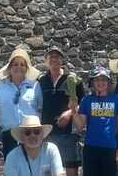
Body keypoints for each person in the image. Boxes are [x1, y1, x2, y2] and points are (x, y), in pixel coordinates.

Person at [35, 47, 84, 176]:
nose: (54, 60)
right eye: (51, 57)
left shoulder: (73, 80)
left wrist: (68, 114)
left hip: (68, 133)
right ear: (46, 61)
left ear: (62, 60)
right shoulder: (41, 81)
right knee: (49, 170)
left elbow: (82, 104)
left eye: (57, 57)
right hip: (47, 133)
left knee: (71, 169)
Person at [73, 66, 118, 176]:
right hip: (91, 148)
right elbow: (80, 126)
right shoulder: (86, 100)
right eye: (97, 79)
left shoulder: (116, 99)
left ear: (108, 81)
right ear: (92, 82)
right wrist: (73, 111)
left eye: (103, 79)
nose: (100, 82)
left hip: (110, 148)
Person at [0, 48, 41, 159]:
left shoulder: (35, 86)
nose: (19, 67)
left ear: (26, 68)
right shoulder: (0, 86)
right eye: (15, 64)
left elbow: (41, 108)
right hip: (10, 134)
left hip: (31, 133)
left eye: (22, 64)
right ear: (10, 67)